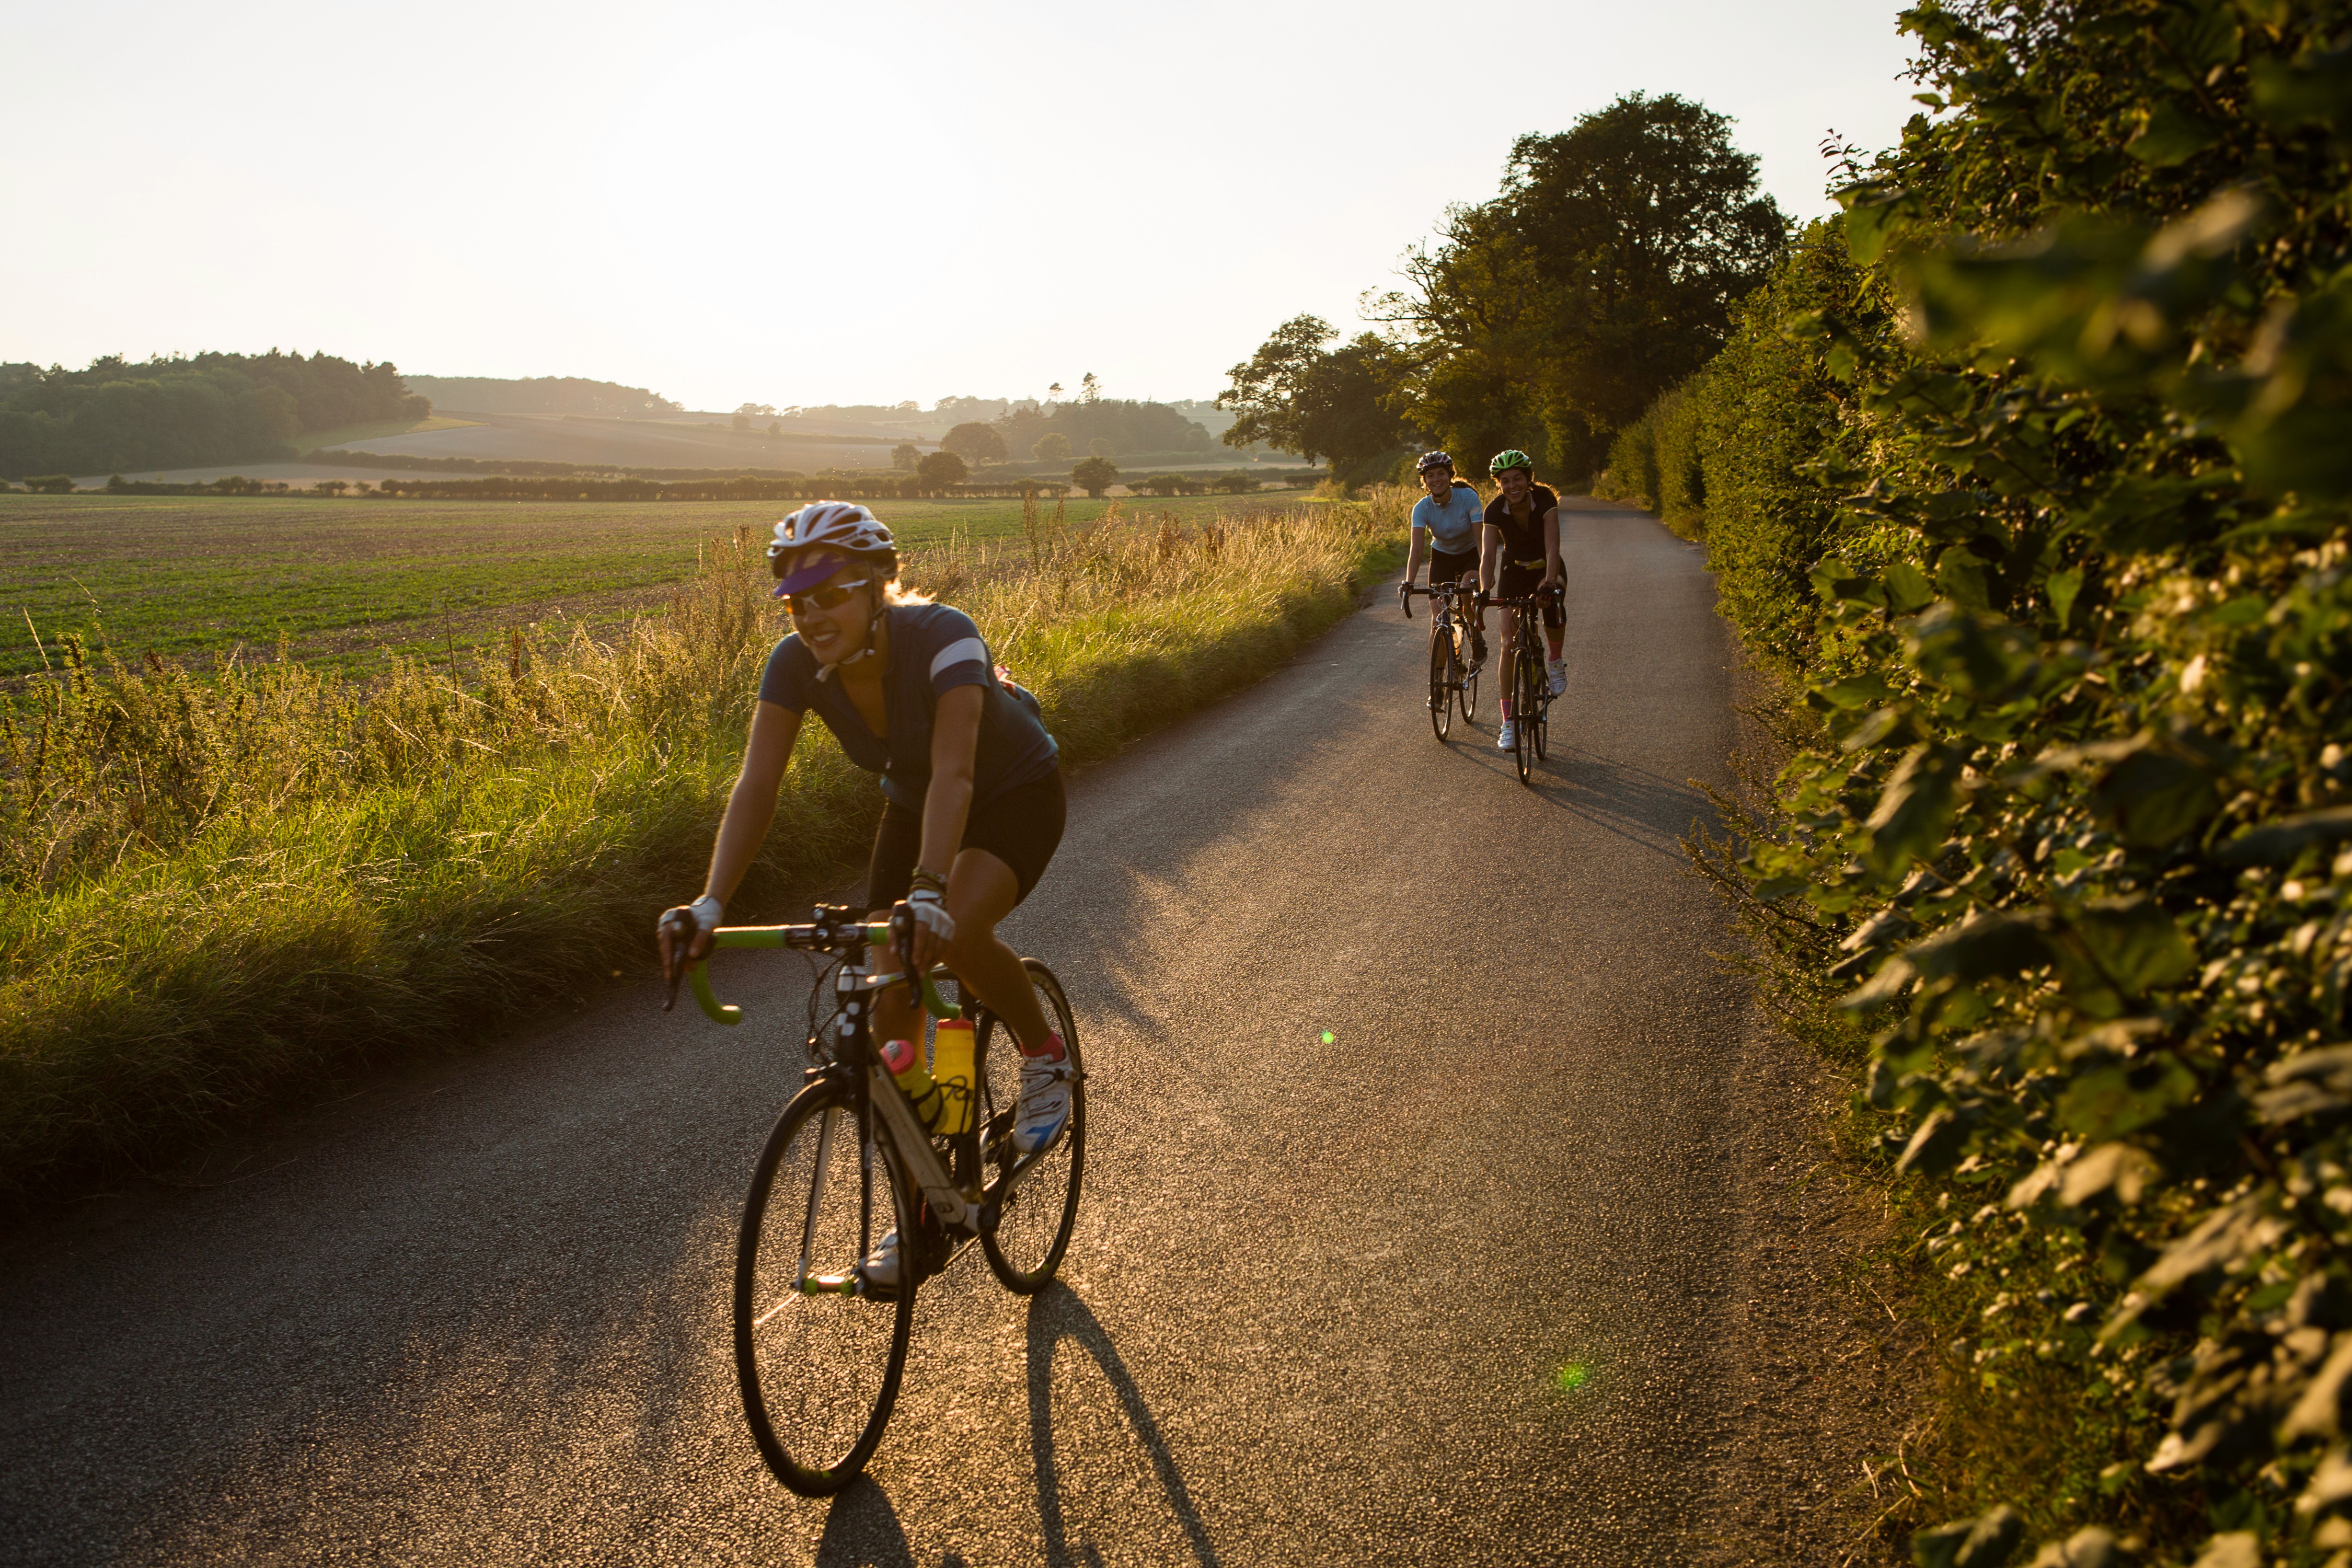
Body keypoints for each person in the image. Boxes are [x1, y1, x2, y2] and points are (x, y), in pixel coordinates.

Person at [657, 501, 1071, 1286]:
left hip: (1012, 791)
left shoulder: (944, 635)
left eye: (832, 593)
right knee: (890, 1008)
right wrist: (710, 902)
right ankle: (919, 1216)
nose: (812, 614)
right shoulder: (793, 663)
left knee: (948, 931)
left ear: (879, 584)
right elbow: (758, 784)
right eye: (796, 599)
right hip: (916, 803)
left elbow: (957, 769)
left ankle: (1044, 1056)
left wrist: (927, 890)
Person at [1478, 450, 1565, 752]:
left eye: (1517, 479)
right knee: (1507, 642)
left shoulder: (1544, 500)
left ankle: (1554, 660)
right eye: (1505, 481)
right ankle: (1510, 722)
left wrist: (1550, 583)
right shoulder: (1494, 510)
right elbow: (1489, 554)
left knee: (1552, 605)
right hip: (1513, 570)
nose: (1512, 485)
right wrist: (1484, 588)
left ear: (1528, 480)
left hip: (1545, 566)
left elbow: (1554, 545)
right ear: (1498, 484)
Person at [1396, 449, 1488, 667]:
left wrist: (1487, 570)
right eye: (1430, 476)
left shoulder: (1468, 498)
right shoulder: (1422, 507)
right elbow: (1416, 550)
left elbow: (1482, 539)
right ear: (1425, 481)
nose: (1436, 479)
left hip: (1470, 553)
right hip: (1442, 556)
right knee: (1437, 618)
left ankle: (1475, 635)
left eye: (1441, 474)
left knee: (1466, 592)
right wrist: (1408, 582)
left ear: (1450, 475)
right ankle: (1437, 680)